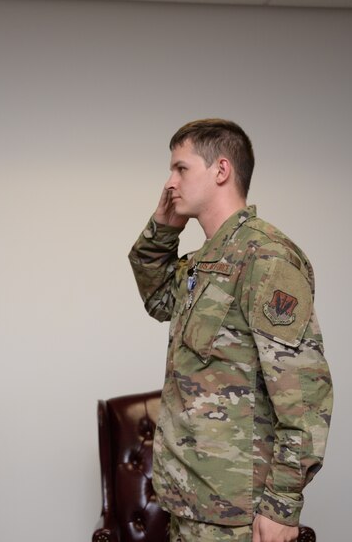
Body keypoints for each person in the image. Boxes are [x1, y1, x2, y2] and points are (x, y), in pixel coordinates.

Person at [128, 119, 332, 542]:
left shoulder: (265, 257)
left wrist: (282, 507)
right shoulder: (205, 262)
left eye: (180, 169)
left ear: (221, 170)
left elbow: (304, 395)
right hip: (190, 504)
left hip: (239, 517)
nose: (169, 183)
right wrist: (163, 229)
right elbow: (158, 299)